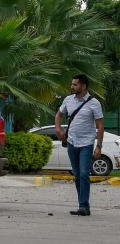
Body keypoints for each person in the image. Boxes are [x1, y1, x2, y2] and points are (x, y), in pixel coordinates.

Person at [55, 73, 104, 216]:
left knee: (83, 173)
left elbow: (100, 126)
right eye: (72, 84)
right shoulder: (68, 100)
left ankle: (84, 206)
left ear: (84, 86)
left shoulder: (94, 103)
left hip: (86, 144)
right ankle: (83, 205)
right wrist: (58, 128)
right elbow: (59, 115)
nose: (72, 86)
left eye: (75, 84)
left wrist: (99, 146)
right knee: (77, 175)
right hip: (71, 143)